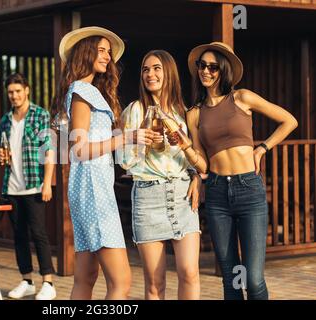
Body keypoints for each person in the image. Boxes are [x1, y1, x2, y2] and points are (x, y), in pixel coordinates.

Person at [176, 42, 297, 299]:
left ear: (224, 70)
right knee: (230, 278)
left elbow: (290, 121)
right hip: (218, 192)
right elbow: (203, 162)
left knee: (253, 280)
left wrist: (261, 149)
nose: (205, 71)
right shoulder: (194, 114)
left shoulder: (242, 97)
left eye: (212, 66)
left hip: (249, 189)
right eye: (201, 65)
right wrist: (190, 159)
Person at [55, 26, 158, 299]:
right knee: (121, 282)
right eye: (101, 50)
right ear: (86, 52)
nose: (107, 57)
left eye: (109, 53)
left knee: (86, 278)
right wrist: (126, 138)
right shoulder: (81, 90)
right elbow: (79, 148)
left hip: (90, 187)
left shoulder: (87, 91)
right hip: (93, 190)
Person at [120, 50, 201, 300]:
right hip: (148, 196)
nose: (150, 74)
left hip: (182, 195)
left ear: (169, 73)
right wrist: (142, 139)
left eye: (156, 68)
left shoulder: (184, 112)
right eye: (145, 69)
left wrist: (196, 176)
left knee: (189, 272)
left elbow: (196, 154)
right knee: (156, 284)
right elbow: (124, 162)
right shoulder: (135, 110)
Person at [0, 73, 56, 300]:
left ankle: (48, 283)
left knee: (39, 234)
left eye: (18, 91)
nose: (14, 96)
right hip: (11, 186)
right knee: (19, 235)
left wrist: (47, 184)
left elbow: (49, 150)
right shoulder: (4, 121)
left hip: (34, 185)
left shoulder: (41, 115)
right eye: (10, 92)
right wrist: (1, 156)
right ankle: (27, 280)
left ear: (27, 90)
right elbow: (3, 153)